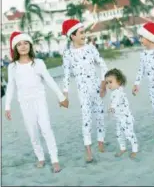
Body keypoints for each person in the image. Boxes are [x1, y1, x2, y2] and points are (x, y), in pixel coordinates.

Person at [5, 31, 69, 173]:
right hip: (24, 103)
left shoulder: (38, 63)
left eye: (26, 43)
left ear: (30, 45)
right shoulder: (12, 67)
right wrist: (7, 106)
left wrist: (61, 97)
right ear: (15, 47)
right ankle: (40, 157)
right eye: (19, 44)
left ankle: (54, 160)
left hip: (40, 101)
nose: (23, 46)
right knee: (33, 132)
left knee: (46, 129)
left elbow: (49, 80)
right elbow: (10, 87)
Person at [62, 19, 108, 163]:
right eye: (81, 33)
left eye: (84, 32)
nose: (84, 35)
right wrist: (65, 94)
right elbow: (66, 75)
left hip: (96, 89)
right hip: (83, 92)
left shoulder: (91, 48)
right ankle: (88, 150)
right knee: (86, 119)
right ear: (72, 36)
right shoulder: (68, 54)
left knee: (100, 116)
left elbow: (102, 65)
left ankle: (100, 142)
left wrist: (103, 84)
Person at [105, 68, 138, 158]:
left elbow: (115, 101)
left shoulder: (119, 92)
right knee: (119, 134)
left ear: (118, 82)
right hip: (119, 118)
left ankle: (135, 150)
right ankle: (123, 148)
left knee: (129, 134)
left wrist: (112, 107)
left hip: (126, 118)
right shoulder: (114, 92)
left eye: (110, 82)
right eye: (107, 83)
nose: (108, 85)